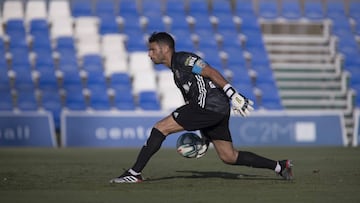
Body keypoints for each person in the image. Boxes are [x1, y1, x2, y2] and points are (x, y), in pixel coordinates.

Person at [109, 32, 293, 183]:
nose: (149, 54)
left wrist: (232, 93)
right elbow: (192, 103)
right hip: (215, 109)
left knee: (160, 128)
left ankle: (134, 173)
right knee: (229, 156)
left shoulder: (183, 59)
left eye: (152, 49)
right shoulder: (176, 72)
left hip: (209, 106)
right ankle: (280, 166)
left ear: (165, 49)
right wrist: (205, 136)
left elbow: (210, 71)